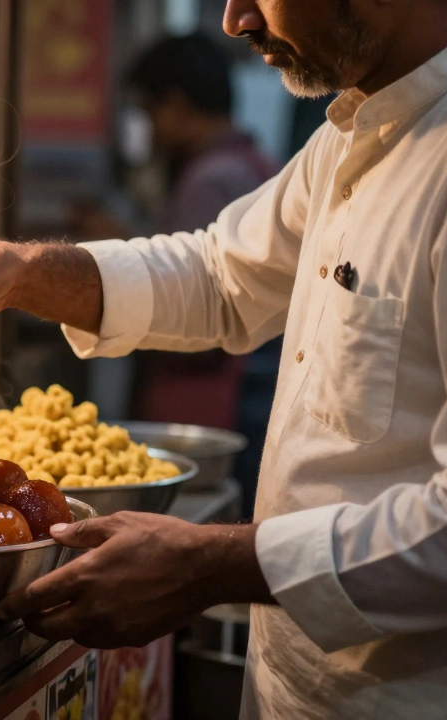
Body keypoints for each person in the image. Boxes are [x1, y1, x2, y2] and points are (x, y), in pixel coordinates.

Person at [0, 1, 447, 717]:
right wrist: (22, 272)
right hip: (300, 689)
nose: (236, 19)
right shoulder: (361, 129)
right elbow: (220, 276)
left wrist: (209, 562)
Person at [122, 34, 282, 517]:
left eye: (148, 114)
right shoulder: (256, 164)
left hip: (210, 407)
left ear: (174, 104)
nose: (149, 132)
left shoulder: (211, 178)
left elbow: (193, 302)